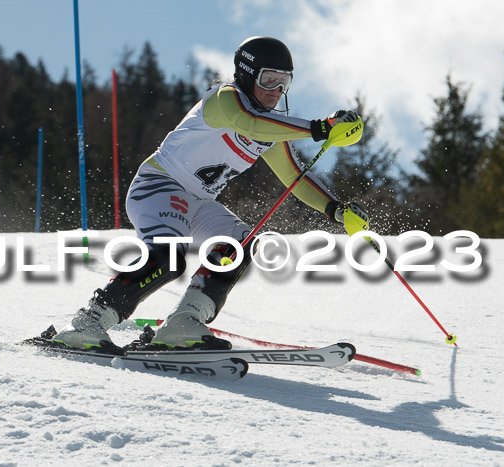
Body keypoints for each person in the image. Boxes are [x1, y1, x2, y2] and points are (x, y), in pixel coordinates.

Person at [46, 36, 369, 351]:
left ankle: (183, 323)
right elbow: (250, 124)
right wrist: (321, 127)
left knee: (239, 244)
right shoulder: (224, 99)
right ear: (246, 75)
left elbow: (295, 176)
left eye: (284, 83)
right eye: (268, 80)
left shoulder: (274, 127)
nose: (276, 91)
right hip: (161, 184)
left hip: (199, 202)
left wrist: (335, 210)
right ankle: (88, 324)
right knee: (168, 257)